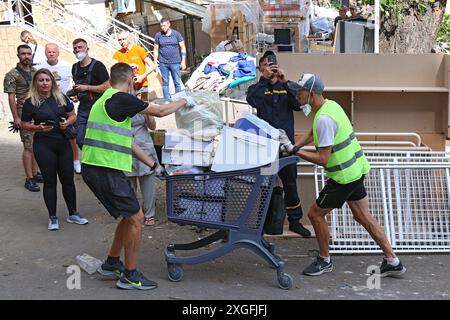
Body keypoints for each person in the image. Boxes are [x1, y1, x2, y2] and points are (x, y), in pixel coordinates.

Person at [82, 62, 195, 290]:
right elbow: (161, 112)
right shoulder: (120, 98)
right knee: (136, 217)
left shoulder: (105, 101)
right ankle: (130, 276)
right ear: (131, 81)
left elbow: (128, 140)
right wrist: (185, 100)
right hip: (103, 168)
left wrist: (154, 164)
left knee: (128, 215)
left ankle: (112, 263)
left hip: (99, 168)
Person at [290, 73, 407, 277]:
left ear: (311, 93)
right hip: (355, 171)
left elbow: (323, 158)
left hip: (343, 178)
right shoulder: (330, 106)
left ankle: (325, 260)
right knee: (363, 216)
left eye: (299, 92)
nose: (296, 95)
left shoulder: (324, 119)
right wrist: (296, 144)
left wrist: (296, 152)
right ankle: (393, 261)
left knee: (315, 215)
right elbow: (313, 132)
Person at [246, 51, 311, 238]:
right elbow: (253, 101)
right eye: (266, 65)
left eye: (273, 64)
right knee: (265, 184)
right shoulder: (257, 88)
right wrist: (264, 80)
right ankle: (262, 223)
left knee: (291, 183)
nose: (271, 68)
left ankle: (295, 221)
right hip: (266, 149)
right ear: (260, 68)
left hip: (286, 148)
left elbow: (300, 106)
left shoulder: (286, 87)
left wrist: (286, 82)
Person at [20, 68, 88, 230]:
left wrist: (67, 123)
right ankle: (53, 217)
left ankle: (73, 213)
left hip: (63, 143)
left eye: (47, 80)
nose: (44, 83)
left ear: (52, 82)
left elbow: (73, 115)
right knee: (50, 181)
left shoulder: (60, 97)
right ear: (35, 83)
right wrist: (37, 128)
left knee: (67, 180)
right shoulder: (31, 102)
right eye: (41, 80)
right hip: (44, 145)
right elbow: (24, 123)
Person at [36, 43, 81, 173]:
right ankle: (49, 161)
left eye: (54, 51)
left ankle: (75, 160)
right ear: (45, 53)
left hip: (63, 103)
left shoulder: (67, 66)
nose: (51, 53)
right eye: (48, 51)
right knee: (46, 132)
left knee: (71, 134)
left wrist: (75, 96)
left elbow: (76, 83)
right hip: (45, 103)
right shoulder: (39, 67)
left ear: (58, 52)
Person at [3, 44, 42, 192]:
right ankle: (29, 178)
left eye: (28, 53)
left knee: (36, 145)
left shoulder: (34, 72)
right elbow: (11, 98)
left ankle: (36, 173)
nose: (26, 56)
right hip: (23, 112)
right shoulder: (12, 74)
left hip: (37, 111)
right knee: (28, 146)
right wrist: (16, 118)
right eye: (23, 54)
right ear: (18, 55)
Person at [70, 38, 110, 149]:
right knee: (80, 139)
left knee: (99, 139)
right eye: (75, 48)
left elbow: (107, 87)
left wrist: (87, 88)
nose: (78, 50)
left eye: (80, 47)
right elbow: (79, 87)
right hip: (83, 108)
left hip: (98, 107)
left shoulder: (98, 66)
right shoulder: (75, 68)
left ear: (87, 49)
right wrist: (76, 96)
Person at [125, 113, 159, 226]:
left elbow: (152, 126)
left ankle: (149, 214)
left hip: (144, 145)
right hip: (125, 146)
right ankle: (133, 213)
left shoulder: (142, 103)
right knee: (129, 185)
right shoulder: (117, 100)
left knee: (148, 183)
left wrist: (147, 112)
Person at [153, 18, 187, 103]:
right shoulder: (158, 35)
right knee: (165, 82)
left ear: (169, 25)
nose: (162, 27)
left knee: (177, 81)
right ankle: (166, 100)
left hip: (175, 62)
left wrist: (183, 61)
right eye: (161, 26)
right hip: (163, 63)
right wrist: (155, 61)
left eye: (164, 25)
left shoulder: (176, 34)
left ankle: (179, 100)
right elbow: (156, 49)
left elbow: (183, 47)